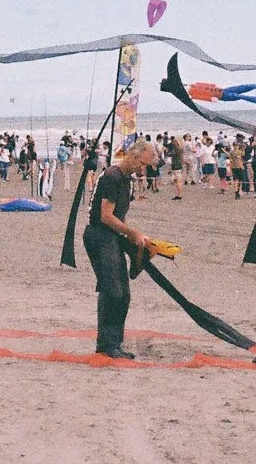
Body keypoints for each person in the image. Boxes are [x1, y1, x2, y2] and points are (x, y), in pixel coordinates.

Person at [82, 140, 160, 359]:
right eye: (143, 164)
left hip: (112, 235)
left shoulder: (127, 181)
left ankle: (114, 343)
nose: (143, 169)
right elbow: (106, 216)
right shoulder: (112, 177)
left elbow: (119, 216)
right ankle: (106, 345)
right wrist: (133, 233)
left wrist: (134, 240)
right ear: (134, 157)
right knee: (112, 290)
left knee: (123, 293)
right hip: (99, 235)